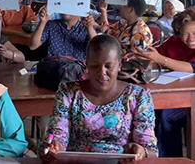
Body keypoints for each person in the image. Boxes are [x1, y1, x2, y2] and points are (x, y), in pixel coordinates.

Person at [40, 34, 157, 162]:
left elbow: (149, 149)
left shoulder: (137, 96)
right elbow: (58, 135)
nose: (102, 72)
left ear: (119, 65)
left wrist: (141, 151)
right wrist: (54, 147)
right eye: (95, 66)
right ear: (87, 65)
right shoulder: (69, 92)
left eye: (109, 66)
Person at [129, 8, 195, 157]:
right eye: (185, 34)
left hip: (191, 99)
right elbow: (156, 57)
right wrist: (139, 59)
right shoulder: (174, 42)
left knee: (167, 116)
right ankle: (153, 155)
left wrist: (161, 60)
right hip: (174, 93)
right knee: (151, 110)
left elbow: (192, 68)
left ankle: (170, 158)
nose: (190, 39)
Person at [29, 7, 96, 61]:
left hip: (77, 73)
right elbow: (33, 46)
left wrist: (89, 28)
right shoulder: (51, 25)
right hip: (54, 71)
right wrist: (42, 22)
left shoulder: (86, 28)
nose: (66, 9)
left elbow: (97, 50)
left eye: (71, 6)